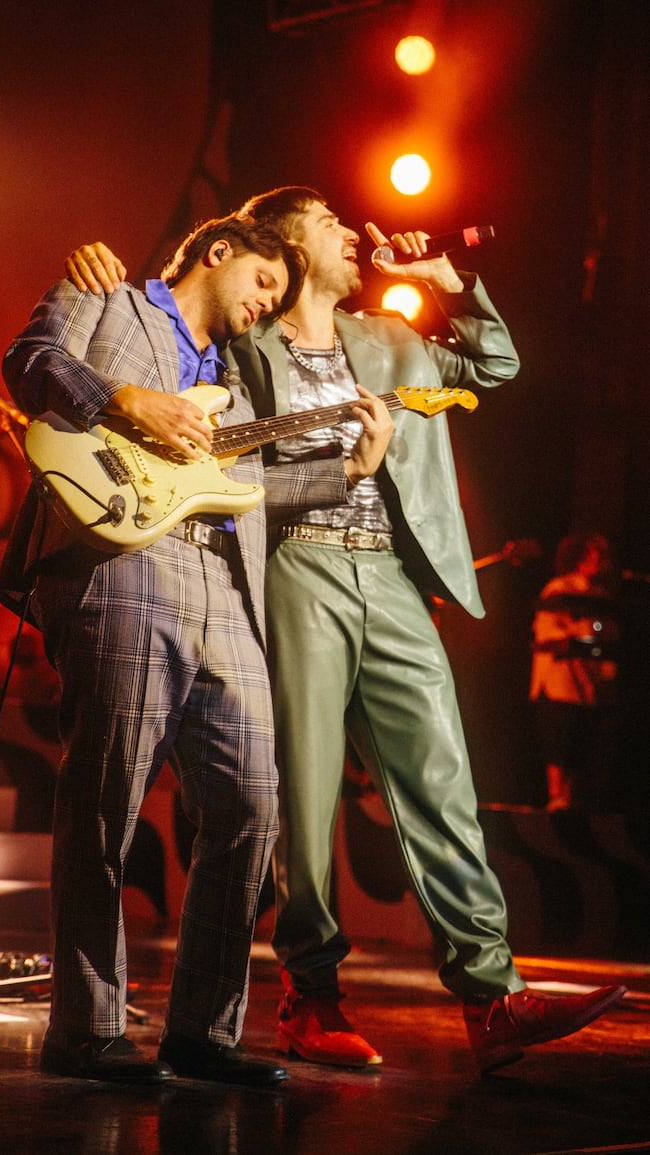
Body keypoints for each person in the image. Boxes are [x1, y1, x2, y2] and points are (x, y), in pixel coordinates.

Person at [65, 188, 625, 1076]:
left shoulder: (389, 339)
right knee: (306, 791)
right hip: (295, 564)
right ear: (285, 245)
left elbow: (496, 366)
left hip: (390, 574)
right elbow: (172, 327)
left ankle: (490, 993)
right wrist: (103, 274)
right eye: (330, 225)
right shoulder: (244, 341)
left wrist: (443, 278)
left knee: (440, 775)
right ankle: (310, 993)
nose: (355, 236)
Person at [0, 212, 316, 1087]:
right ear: (219, 254)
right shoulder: (107, 294)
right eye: (263, 285)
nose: (266, 306)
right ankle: (87, 1029)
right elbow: (30, 362)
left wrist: (355, 462)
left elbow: (256, 485)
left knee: (254, 806)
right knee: (107, 797)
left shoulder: (240, 393)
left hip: (224, 588)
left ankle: (203, 1035)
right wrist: (123, 399)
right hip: (121, 559)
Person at [530, 532, 619, 810]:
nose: (599, 560)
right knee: (559, 744)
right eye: (593, 554)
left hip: (588, 687)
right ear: (579, 557)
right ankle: (557, 800)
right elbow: (548, 634)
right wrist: (584, 640)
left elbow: (607, 635)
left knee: (583, 749)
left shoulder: (599, 596)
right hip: (558, 682)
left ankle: (573, 804)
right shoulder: (558, 589)